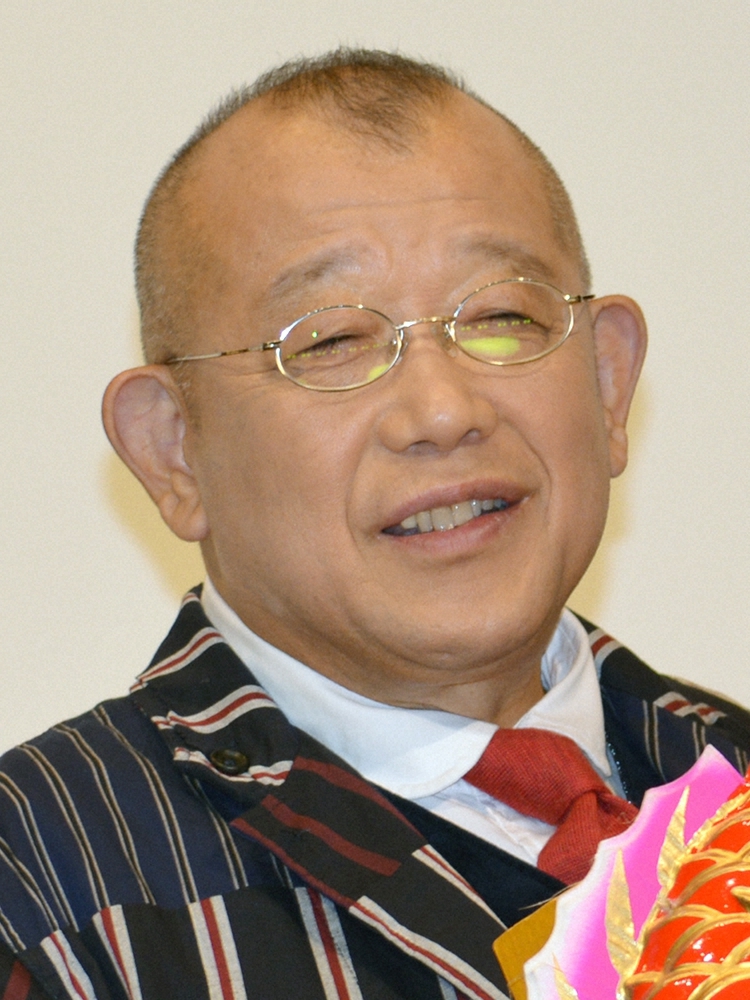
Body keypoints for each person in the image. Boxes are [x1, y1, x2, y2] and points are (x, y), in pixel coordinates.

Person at [1, 48, 748, 1000]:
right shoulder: (42, 897)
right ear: (173, 451)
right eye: (333, 342)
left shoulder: (727, 777)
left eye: (502, 318)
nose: (443, 410)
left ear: (608, 386)